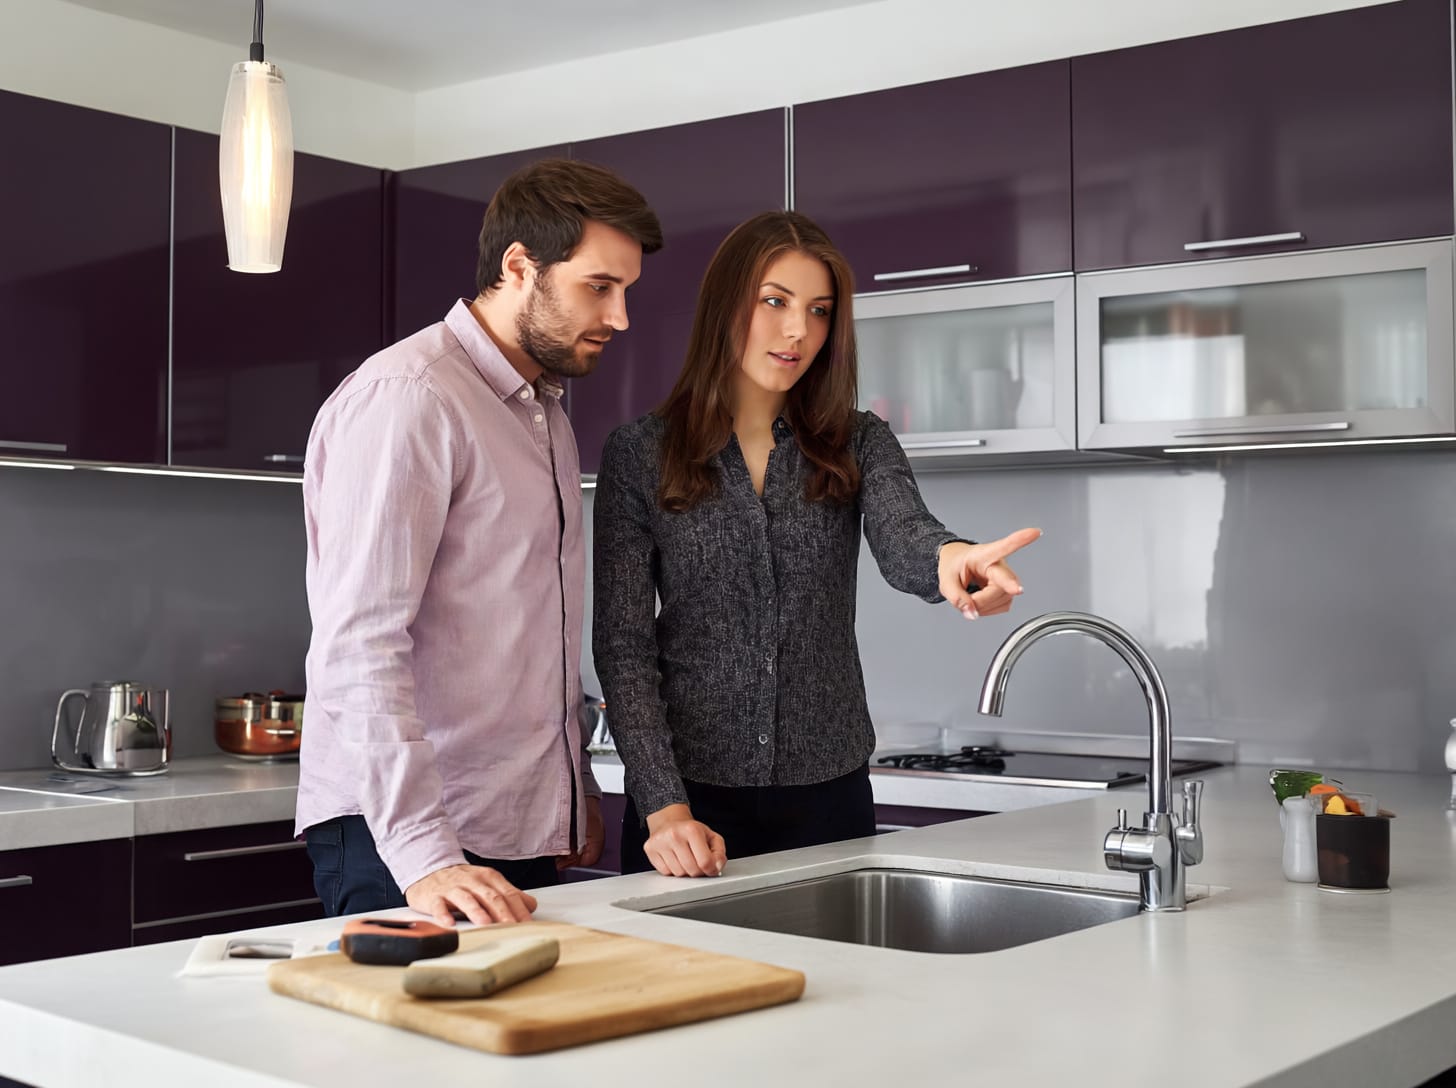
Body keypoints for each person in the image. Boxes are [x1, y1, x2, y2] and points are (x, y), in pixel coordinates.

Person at [592, 210, 1040, 878]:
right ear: (726, 305)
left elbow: (906, 535)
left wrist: (955, 560)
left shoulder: (858, 440)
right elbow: (624, 647)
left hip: (829, 801)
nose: (799, 330)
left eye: (820, 310)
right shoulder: (640, 454)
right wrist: (663, 807)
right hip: (689, 811)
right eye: (775, 302)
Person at [297, 158, 663, 922]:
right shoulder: (411, 398)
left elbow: (528, 626)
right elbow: (358, 645)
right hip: (407, 838)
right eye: (600, 286)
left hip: (511, 825)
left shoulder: (544, 411)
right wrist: (426, 856)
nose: (620, 317)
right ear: (519, 266)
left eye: (626, 290)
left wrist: (571, 791)